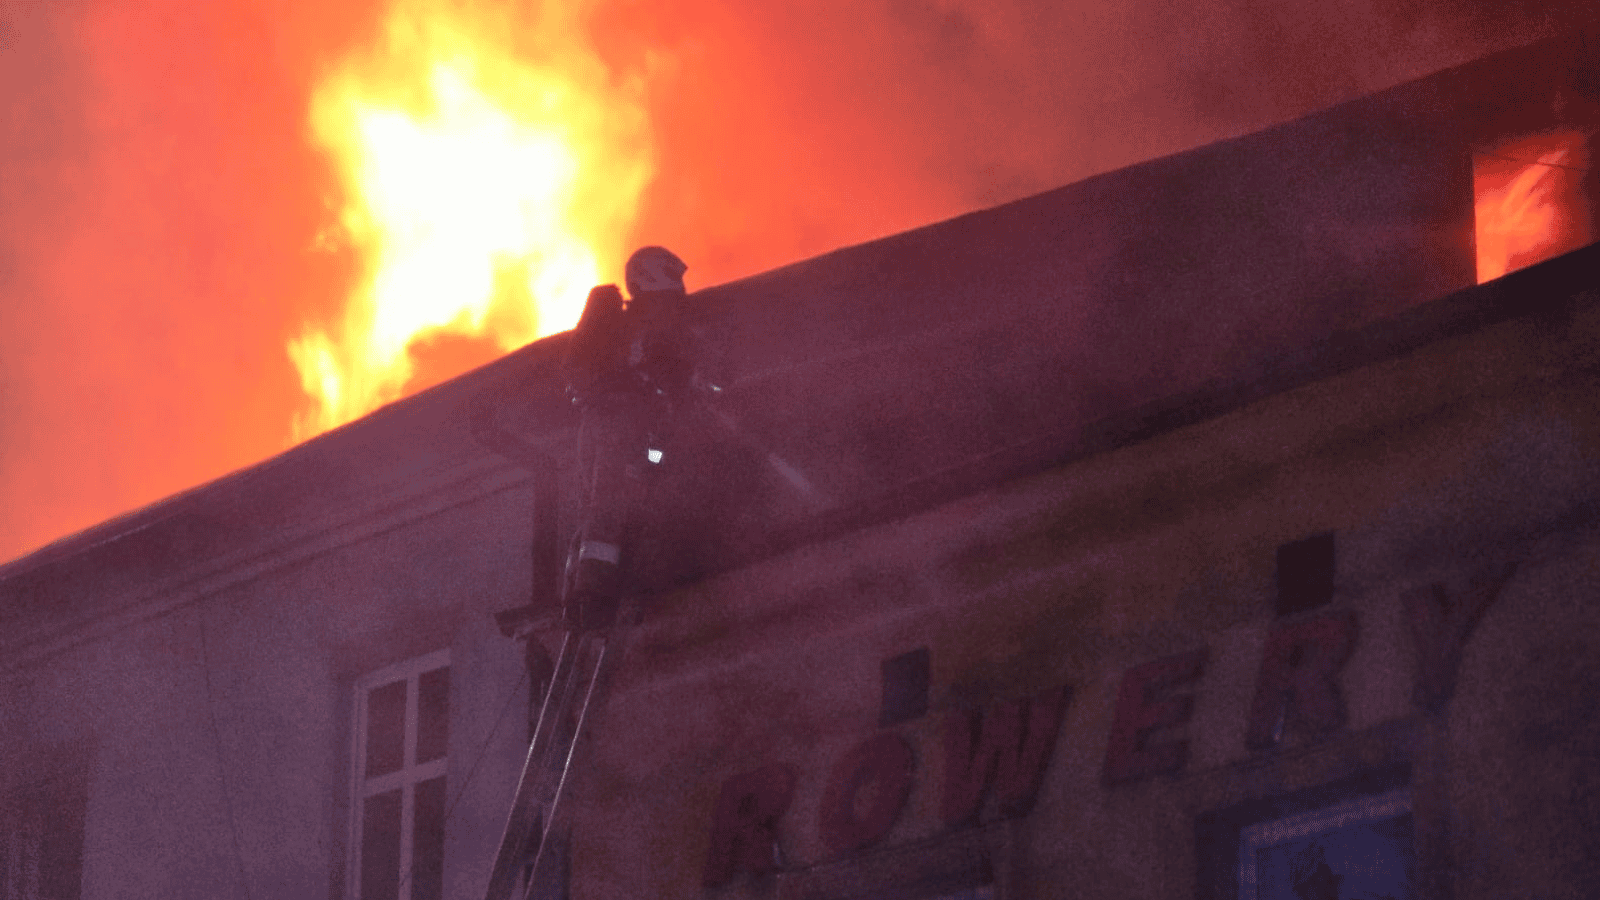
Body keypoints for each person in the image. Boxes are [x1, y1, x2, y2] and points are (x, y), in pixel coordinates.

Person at [560, 246, 695, 630]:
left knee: (655, 471)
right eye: (672, 286)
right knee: (608, 499)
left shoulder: (665, 336)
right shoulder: (616, 325)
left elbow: (679, 382)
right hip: (612, 431)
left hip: (647, 438)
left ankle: (631, 578)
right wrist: (629, 389)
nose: (677, 297)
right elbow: (585, 375)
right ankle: (589, 592)